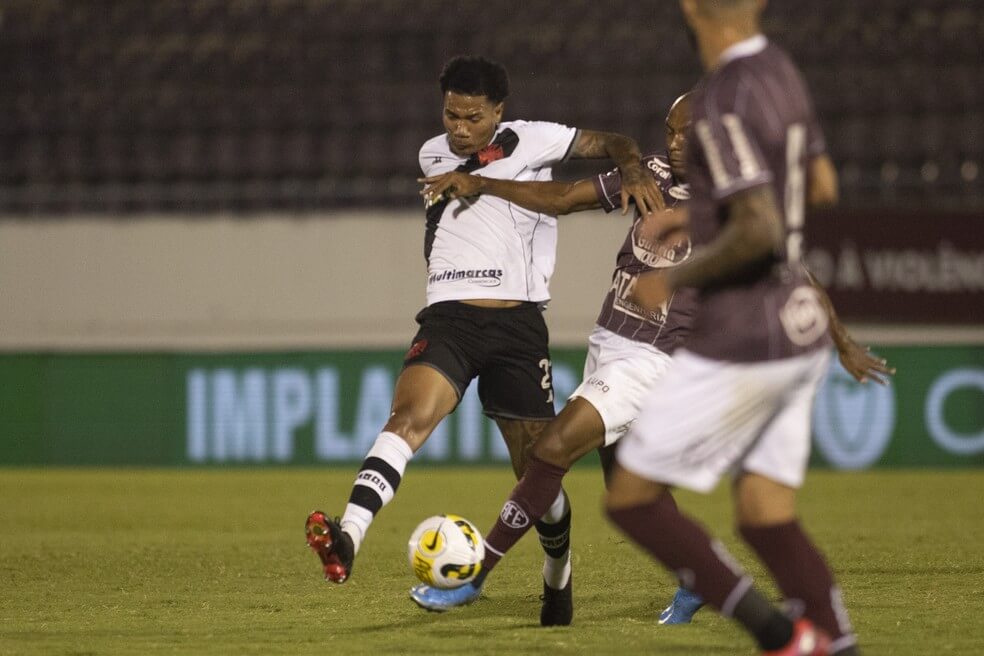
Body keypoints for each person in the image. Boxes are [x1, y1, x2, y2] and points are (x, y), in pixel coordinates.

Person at [407, 87, 891, 632]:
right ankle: (699, 581)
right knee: (629, 487)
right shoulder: (654, 174)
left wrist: (842, 341)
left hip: (655, 358)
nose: (676, 142)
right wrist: (482, 184)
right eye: (671, 131)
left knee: (551, 450)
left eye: (689, 133)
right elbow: (566, 198)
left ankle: (473, 578)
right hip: (609, 343)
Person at [304, 55, 664, 625]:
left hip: (519, 326)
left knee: (536, 473)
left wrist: (633, 164)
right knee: (406, 419)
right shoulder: (432, 153)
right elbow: (480, 167)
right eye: (451, 114)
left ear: (499, 110)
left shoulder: (539, 138)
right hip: (450, 318)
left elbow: (615, 141)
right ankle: (348, 536)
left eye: (473, 116)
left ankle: (557, 577)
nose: (459, 128)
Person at [603, 1, 888, 654]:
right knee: (764, 518)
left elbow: (758, 229)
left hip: (745, 332)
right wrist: (703, 212)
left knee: (632, 498)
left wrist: (669, 278)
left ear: (690, 9)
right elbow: (819, 183)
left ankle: (781, 637)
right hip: (799, 327)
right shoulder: (780, 70)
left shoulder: (722, 97)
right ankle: (834, 646)